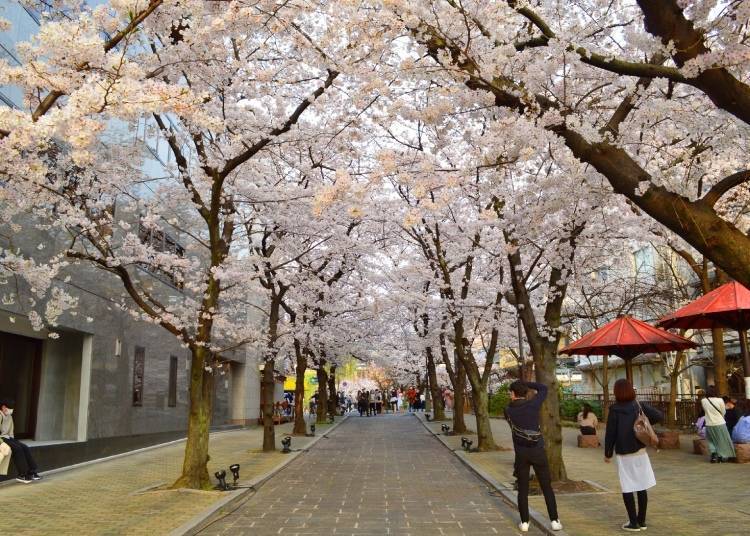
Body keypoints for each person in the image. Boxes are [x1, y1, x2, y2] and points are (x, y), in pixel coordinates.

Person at [605, 379, 663, 532]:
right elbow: (659, 416)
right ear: (631, 390)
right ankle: (642, 521)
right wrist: (644, 424)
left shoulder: (614, 409)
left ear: (616, 392)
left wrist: (608, 453)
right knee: (642, 486)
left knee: (628, 486)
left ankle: (633, 522)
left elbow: (610, 433)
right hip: (640, 450)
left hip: (624, 453)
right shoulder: (638, 406)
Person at [504, 381, 562, 533]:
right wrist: (524, 383)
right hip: (537, 451)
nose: (510, 394)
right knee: (546, 486)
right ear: (526, 392)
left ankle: (524, 522)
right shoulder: (533, 404)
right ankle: (555, 521)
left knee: (523, 488)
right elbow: (543, 387)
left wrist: (518, 385)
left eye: (511, 392)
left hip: (521, 454)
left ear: (514, 394)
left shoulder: (508, 410)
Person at [0, 399, 41, 484]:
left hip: (7, 438)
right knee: (17, 449)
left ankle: (32, 471)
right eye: (9, 408)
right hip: (1, 439)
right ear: (3, 407)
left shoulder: (9, 417)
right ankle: (22, 474)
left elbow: (11, 432)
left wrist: (14, 441)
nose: (11, 410)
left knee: (24, 447)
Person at [701, 385, 736, 463]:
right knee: (722, 440)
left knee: (711, 440)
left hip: (709, 424)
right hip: (720, 423)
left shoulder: (703, 401)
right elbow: (723, 412)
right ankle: (721, 456)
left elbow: (705, 411)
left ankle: (713, 455)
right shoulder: (720, 400)